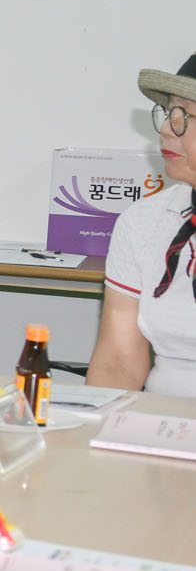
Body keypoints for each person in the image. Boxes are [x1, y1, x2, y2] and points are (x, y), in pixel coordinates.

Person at [90, 53, 196, 398]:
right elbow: (118, 362)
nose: (166, 129)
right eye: (168, 112)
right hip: (160, 418)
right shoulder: (144, 221)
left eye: (183, 116)